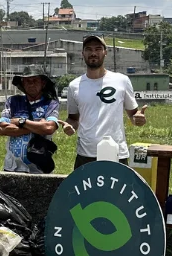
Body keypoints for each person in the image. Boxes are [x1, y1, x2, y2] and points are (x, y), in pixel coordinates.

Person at [61, 35, 147, 168]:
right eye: (88, 49)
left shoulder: (121, 81)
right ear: (82, 53)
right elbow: (73, 119)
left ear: (105, 52)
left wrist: (139, 119)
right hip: (86, 155)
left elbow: (133, 115)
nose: (93, 53)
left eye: (98, 49)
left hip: (116, 153)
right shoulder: (74, 85)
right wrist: (69, 126)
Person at [0, 68, 60, 174]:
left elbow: (49, 128)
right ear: (23, 83)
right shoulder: (12, 101)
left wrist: (21, 122)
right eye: (27, 81)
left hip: (39, 167)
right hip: (13, 167)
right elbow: (2, 129)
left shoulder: (51, 104)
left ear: (43, 83)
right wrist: (38, 126)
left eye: (35, 80)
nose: (31, 84)